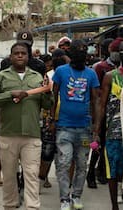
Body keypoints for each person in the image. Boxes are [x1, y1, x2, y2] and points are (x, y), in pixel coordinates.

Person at [0, 42, 53, 210]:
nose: (20, 55)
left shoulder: (37, 77)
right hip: (9, 134)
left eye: (23, 53)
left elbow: (47, 104)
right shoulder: (1, 77)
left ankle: (32, 207)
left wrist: (47, 91)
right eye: (17, 53)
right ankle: (10, 206)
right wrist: (10, 94)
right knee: (9, 177)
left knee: (31, 176)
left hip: (32, 135)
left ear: (28, 56)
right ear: (11, 56)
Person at [52, 39, 100, 210]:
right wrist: (52, 119)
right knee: (64, 163)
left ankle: (77, 196)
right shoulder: (61, 71)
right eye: (77, 50)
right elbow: (54, 95)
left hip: (85, 128)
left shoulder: (91, 74)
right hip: (64, 126)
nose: (81, 53)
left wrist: (96, 126)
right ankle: (64, 198)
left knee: (81, 164)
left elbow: (96, 101)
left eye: (84, 50)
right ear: (70, 52)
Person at [93, 40, 123, 210]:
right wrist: (96, 131)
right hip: (114, 133)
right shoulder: (111, 76)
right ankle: (114, 206)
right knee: (112, 170)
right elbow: (101, 106)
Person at [87, 37, 117, 189]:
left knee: (111, 146)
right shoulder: (100, 67)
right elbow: (96, 93)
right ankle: (91, 172)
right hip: (103, 111)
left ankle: (102, 171)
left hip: (117, 114)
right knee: (98, 145)